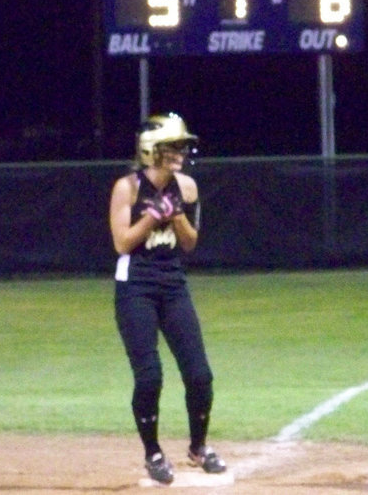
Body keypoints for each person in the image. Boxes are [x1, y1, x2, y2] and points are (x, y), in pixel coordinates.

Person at [109, 112, 226, 485]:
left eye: (181, 146)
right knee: (150, 377)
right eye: (172, 147)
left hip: (173, 284)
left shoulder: (187, 186)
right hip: (135, 287)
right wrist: (151, 217)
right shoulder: (127, 187)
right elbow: (122, 243)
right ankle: (153, 453)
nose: (180, 153)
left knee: (200, 374)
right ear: (150, 150)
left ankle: (198, 447)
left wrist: (175, 217)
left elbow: (189, 243)